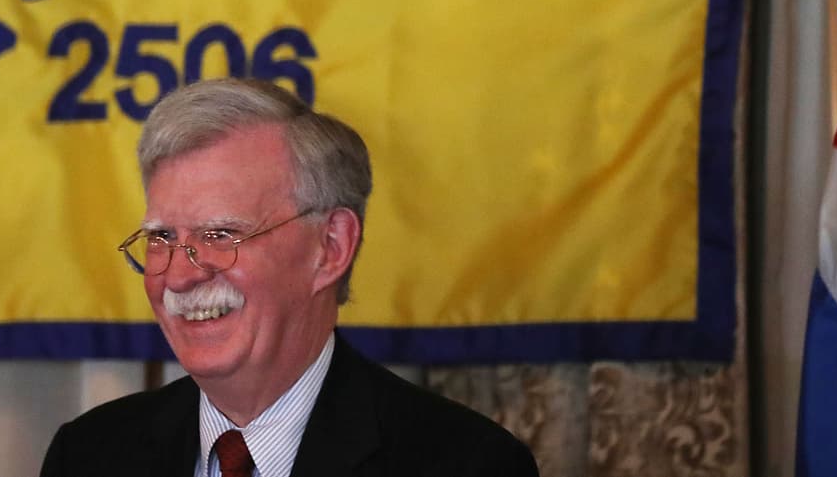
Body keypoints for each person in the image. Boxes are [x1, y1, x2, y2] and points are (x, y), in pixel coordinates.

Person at [41, 77, 539, 477]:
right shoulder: (87, 455)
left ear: (330, 248)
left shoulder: (467, 463)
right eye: (161, 238)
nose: (180, 276)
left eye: (219, 233)